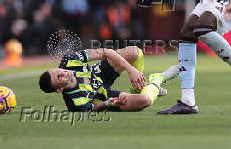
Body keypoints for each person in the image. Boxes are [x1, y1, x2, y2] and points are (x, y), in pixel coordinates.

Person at [39, 46, 178, 112]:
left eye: (58, 71)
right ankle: (157, 80)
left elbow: (107, 52)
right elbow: (94, 108)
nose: (63, 72)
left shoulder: (69, 60)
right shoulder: (75, 103)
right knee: (144, 101)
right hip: (103, 96)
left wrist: (132, 71)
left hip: (99, 74)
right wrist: (109, 103)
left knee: (135, 52)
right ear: (59, 89)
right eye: (59, 78)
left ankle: (138, 87)